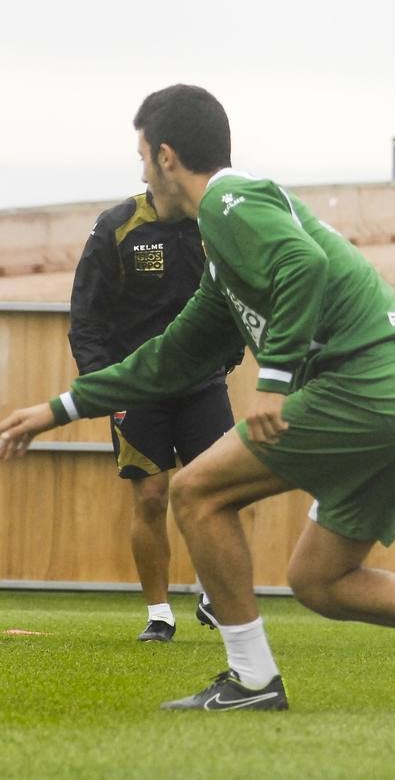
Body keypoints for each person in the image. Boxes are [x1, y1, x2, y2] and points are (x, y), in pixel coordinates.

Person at [0, 85, 395, 712]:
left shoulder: (227, 198)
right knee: (320, 580)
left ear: (166, 157)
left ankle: (251, 681)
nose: (141, 175)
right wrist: (57, 409)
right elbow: (164, 360)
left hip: (369, 382)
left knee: (194, 490)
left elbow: (301, 264)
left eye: (142, 158)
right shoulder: (223, 254)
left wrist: (273, 383)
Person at [69, 185, 229, 641]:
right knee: (152, 495)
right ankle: (159, 614)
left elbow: (238, 294)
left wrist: (229, 356)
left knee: (218, 490)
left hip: (204, 382)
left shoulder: (212, 225)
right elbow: (86, 312)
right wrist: (102, 382)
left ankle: (215, 596)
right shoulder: (116, 226)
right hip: (134, 385)